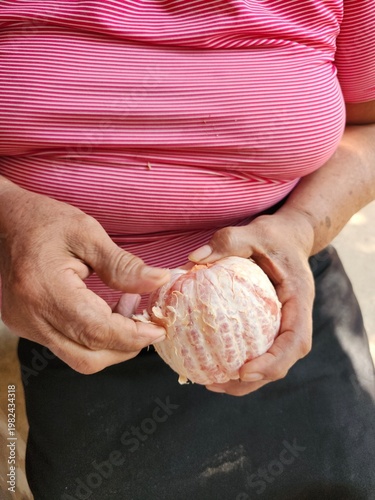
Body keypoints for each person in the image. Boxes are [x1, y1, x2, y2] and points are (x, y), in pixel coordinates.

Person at [0, 1, 374, 498]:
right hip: (78, 323)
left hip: (280, 295)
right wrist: (8, 220)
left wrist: (300, 226)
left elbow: (368, 125)